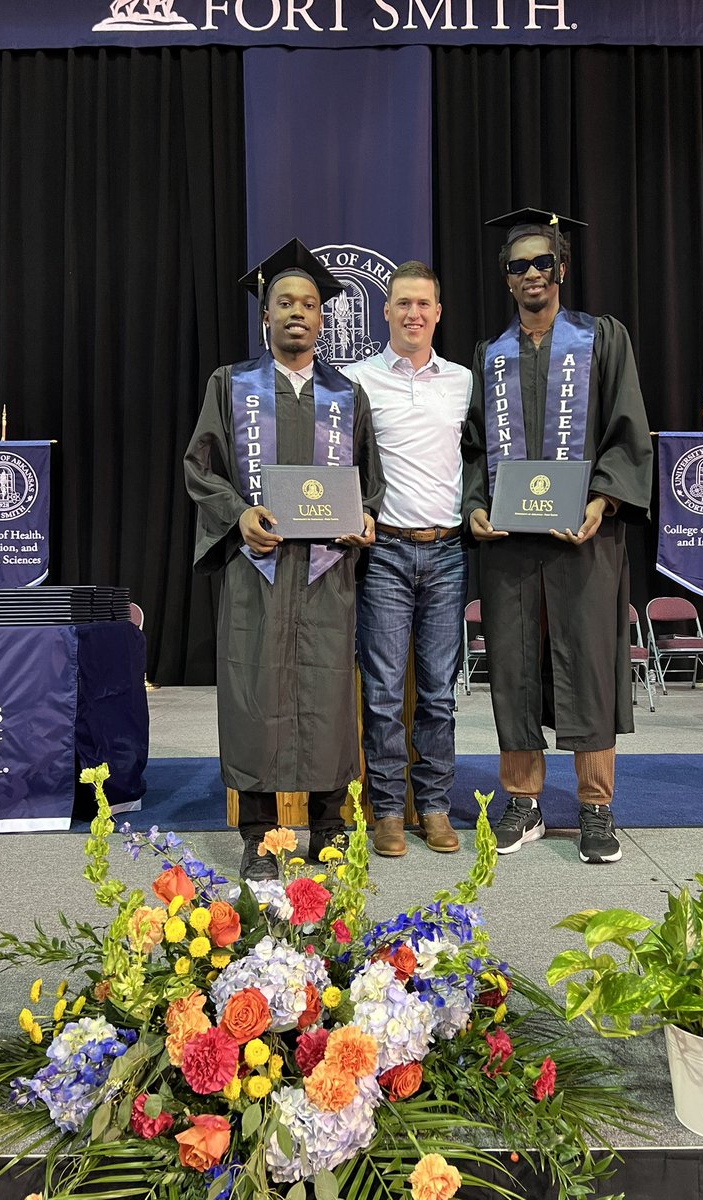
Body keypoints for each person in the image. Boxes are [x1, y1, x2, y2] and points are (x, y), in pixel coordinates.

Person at [184, 239, 385, 882]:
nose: (297, 312)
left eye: (308, 303)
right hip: (257, 569)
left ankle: (328, 829)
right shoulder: (232, 384)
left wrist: (365, 519)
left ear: (323, 319)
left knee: (326, 696)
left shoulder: (345, 395)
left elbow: (369, 481)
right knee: (255, 693)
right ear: (265, 316)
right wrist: (238, 514)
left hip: (325, 573)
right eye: (283, 303)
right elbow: (199, 467)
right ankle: (262, 835)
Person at [462, 208, 652, 864]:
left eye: (544, 262)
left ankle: (596, 807)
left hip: (585, 540)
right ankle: (523, 799)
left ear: (562, 270)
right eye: (520, 266)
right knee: (513, 669)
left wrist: (602, 499)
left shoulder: (602, 339)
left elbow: (628, 429)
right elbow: (473, 451)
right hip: (511, 548)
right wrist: (476, 506)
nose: (533, 273)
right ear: (507, 281)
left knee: (591, 670)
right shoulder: (489, 358)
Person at [342, 262, 472, 857]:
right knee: (385, 691)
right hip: (386, 552)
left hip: (447, 551)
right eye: (402, 303)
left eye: (424, 303)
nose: (413, 313)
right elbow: (341, 464)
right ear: (386, 312)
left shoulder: (465, 382)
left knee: (441, 691)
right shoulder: (355, 380)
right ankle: (390, 810)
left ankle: (437, 807)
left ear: (437, 313)